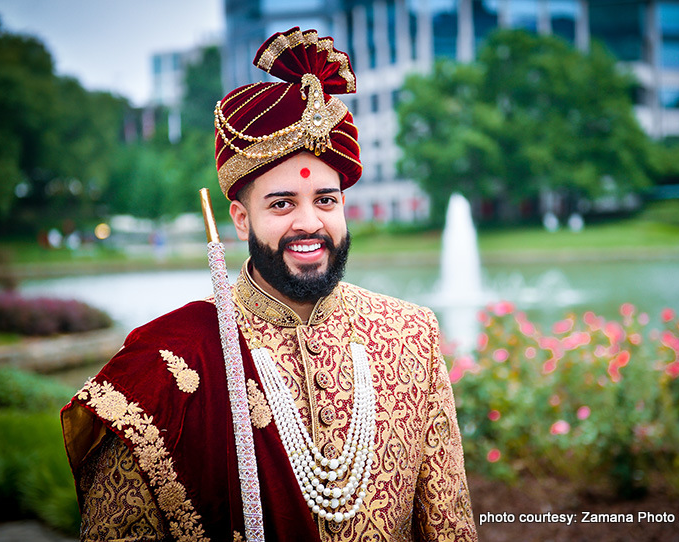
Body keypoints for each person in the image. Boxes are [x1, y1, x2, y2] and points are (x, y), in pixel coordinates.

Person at [61, 27, 477, 542]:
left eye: (326, 200)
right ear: (240, 218)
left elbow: (450, 526)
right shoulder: (167, 367)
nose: (309, 222)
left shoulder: (411, 335)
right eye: (282, 204)